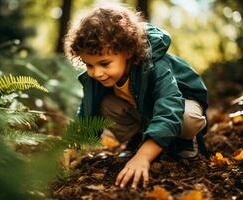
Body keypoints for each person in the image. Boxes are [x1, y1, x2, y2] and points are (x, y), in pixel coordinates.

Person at [64, 3, 208, 189]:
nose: (97, 73)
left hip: (179, 106)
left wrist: (143, 157)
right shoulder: (98, 78)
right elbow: (86, 114)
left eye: (104, 63)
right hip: (143, 110)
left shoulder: (155, 66)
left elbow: (170, 108)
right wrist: (72, 146)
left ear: (128, 52)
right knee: (106, 104)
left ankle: (183, 142)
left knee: (186, 118)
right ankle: (138, 140)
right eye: (89, 65)